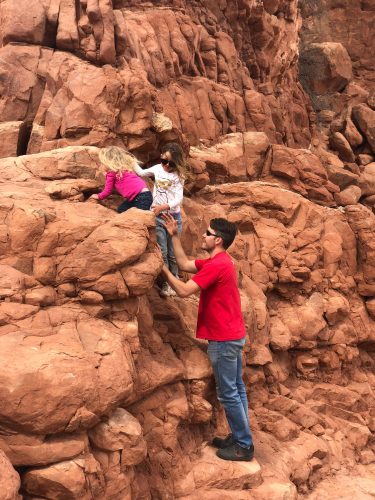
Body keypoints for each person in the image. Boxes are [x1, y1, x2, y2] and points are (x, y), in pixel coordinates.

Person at [160, 215, 254, 461]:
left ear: (218, 240)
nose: (203, 235)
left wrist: (159, 267)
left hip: (224, 339)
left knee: (228, 394)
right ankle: (240, 437)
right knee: (237, 390)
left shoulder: (217, 265)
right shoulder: (219, 260)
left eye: (208, 233)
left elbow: (182, 290)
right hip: (232, 335)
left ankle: (244, 445)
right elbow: (182, 264)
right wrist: (173, 236)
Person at [133, 143, 188, 297]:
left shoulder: (179, 176)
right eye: (164, 161)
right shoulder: (157, 168)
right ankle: (166, 283)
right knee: (162, 251)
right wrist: (129, 160)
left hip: (172, 217)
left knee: (172, 252)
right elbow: (141, 172)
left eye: (171, 163)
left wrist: (163, 207)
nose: (166, 165)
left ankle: (175, 281)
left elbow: (178, 198)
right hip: (158, 217)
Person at [89, 146, 153, 212]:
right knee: (121, 209)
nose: (101, 165)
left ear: (108, 162)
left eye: (102, 163)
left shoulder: (111, 173)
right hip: (144, 195)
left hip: (140, 198)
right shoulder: (125, 169)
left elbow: (108, 190)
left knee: (138, 216)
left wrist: (98, 196)